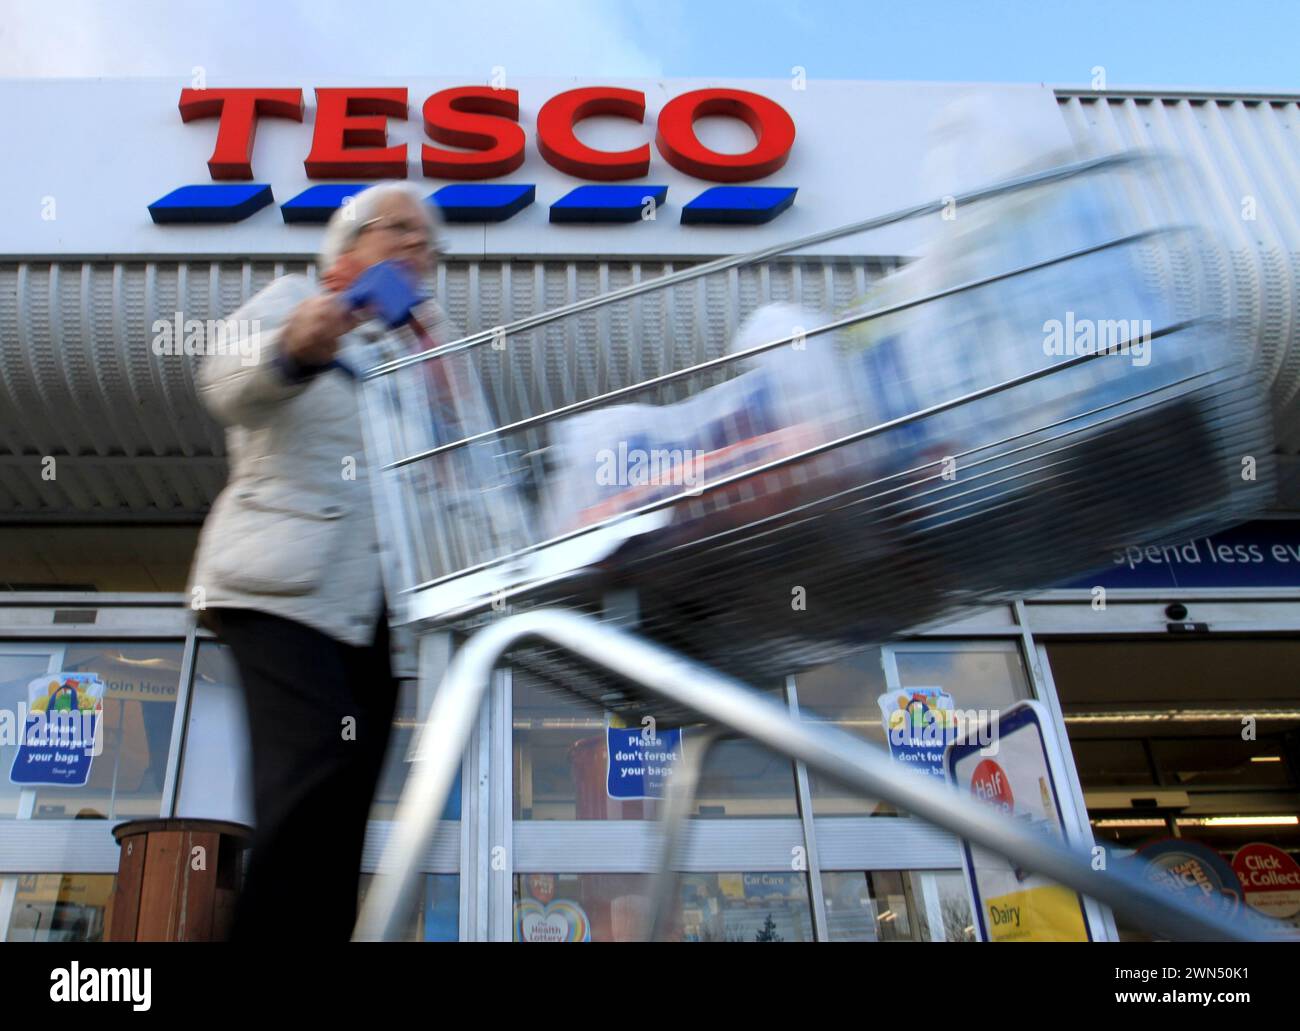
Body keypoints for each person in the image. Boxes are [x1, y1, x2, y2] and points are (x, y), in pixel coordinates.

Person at [187, 182, 453, 941]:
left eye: (426, 238)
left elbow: (453, 473)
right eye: (397, 229)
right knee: (313, 780)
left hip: (369, 611)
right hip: (279, 585)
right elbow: (223, 381)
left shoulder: (419, 352)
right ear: (348, 246)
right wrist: (290, 350)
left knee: (343, 812)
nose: (415, 245)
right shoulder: (296, 298)